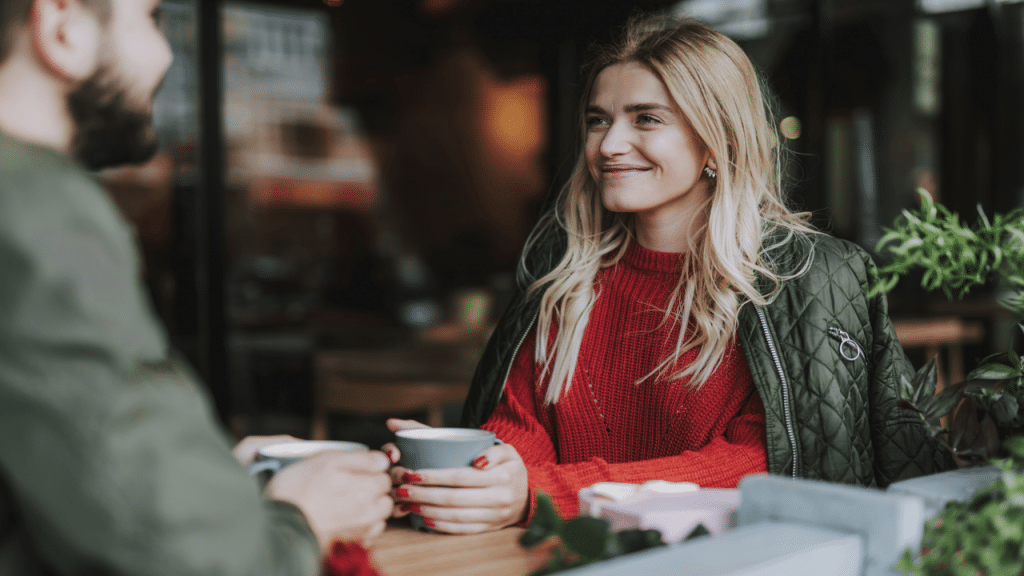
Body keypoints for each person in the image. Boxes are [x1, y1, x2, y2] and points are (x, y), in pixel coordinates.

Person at [387, 15, 951, 533]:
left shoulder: (805, 281)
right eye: (598, 120)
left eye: (646, 119)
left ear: (717, 140)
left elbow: (764, 463)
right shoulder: (563, 280)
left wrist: (544, 493)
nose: (609, 145)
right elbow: (522, 430)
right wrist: (465, 469)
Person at [0, 0, 392, 574]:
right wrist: (299, 522)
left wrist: (211, 483)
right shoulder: (35, 204)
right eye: (151, 18)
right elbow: (184, 556)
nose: (165, 55)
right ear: (63, 26)